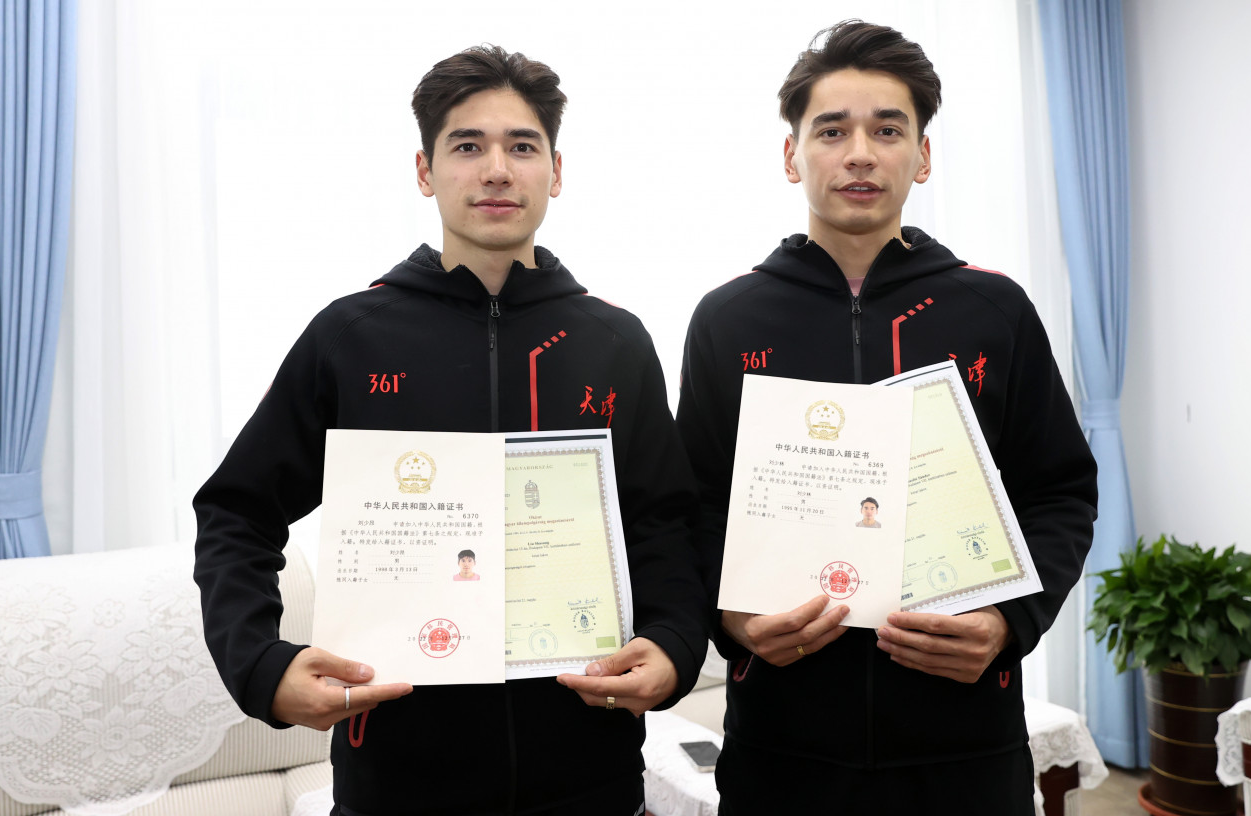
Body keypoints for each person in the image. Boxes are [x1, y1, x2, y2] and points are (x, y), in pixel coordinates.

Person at [194, 44, 707, 816]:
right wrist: (260, 665)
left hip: (593, 782)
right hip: (395, 788)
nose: (496, 169)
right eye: (467, 146)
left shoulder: (616, 342)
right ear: (426, 172)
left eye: (521, 146)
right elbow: (237, 510)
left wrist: (672, 647)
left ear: (556, 173)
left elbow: (665, 520)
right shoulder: (351, 336)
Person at [675, 20, 1097, 815]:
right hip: (783, 741)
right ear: (792, 154)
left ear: (923, 157)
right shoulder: (727, 320)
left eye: (887, 129)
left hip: (965, 742)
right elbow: (692, 505)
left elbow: (1061, 492)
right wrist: (729, 618)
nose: (859, 152)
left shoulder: (994, 310)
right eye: (831, 130)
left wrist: (1010, 620)